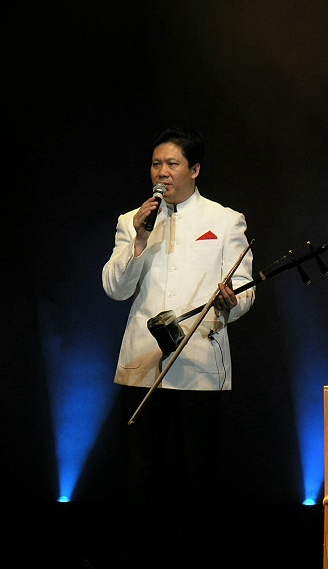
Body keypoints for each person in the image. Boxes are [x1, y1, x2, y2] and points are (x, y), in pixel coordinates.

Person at [102, 126, 255, 568]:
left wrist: (232, 301)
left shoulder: (225, 220)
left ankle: (193, 557)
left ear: (195, 170)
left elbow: (245, 288)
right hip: (144, 362)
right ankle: (133, 557)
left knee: (196, 474)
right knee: (139, 472)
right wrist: (139, 239)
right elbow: (115, 289)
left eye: (172, 164)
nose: (162, 172)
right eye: (156, 164)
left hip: (199, 360)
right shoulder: (132, 220)